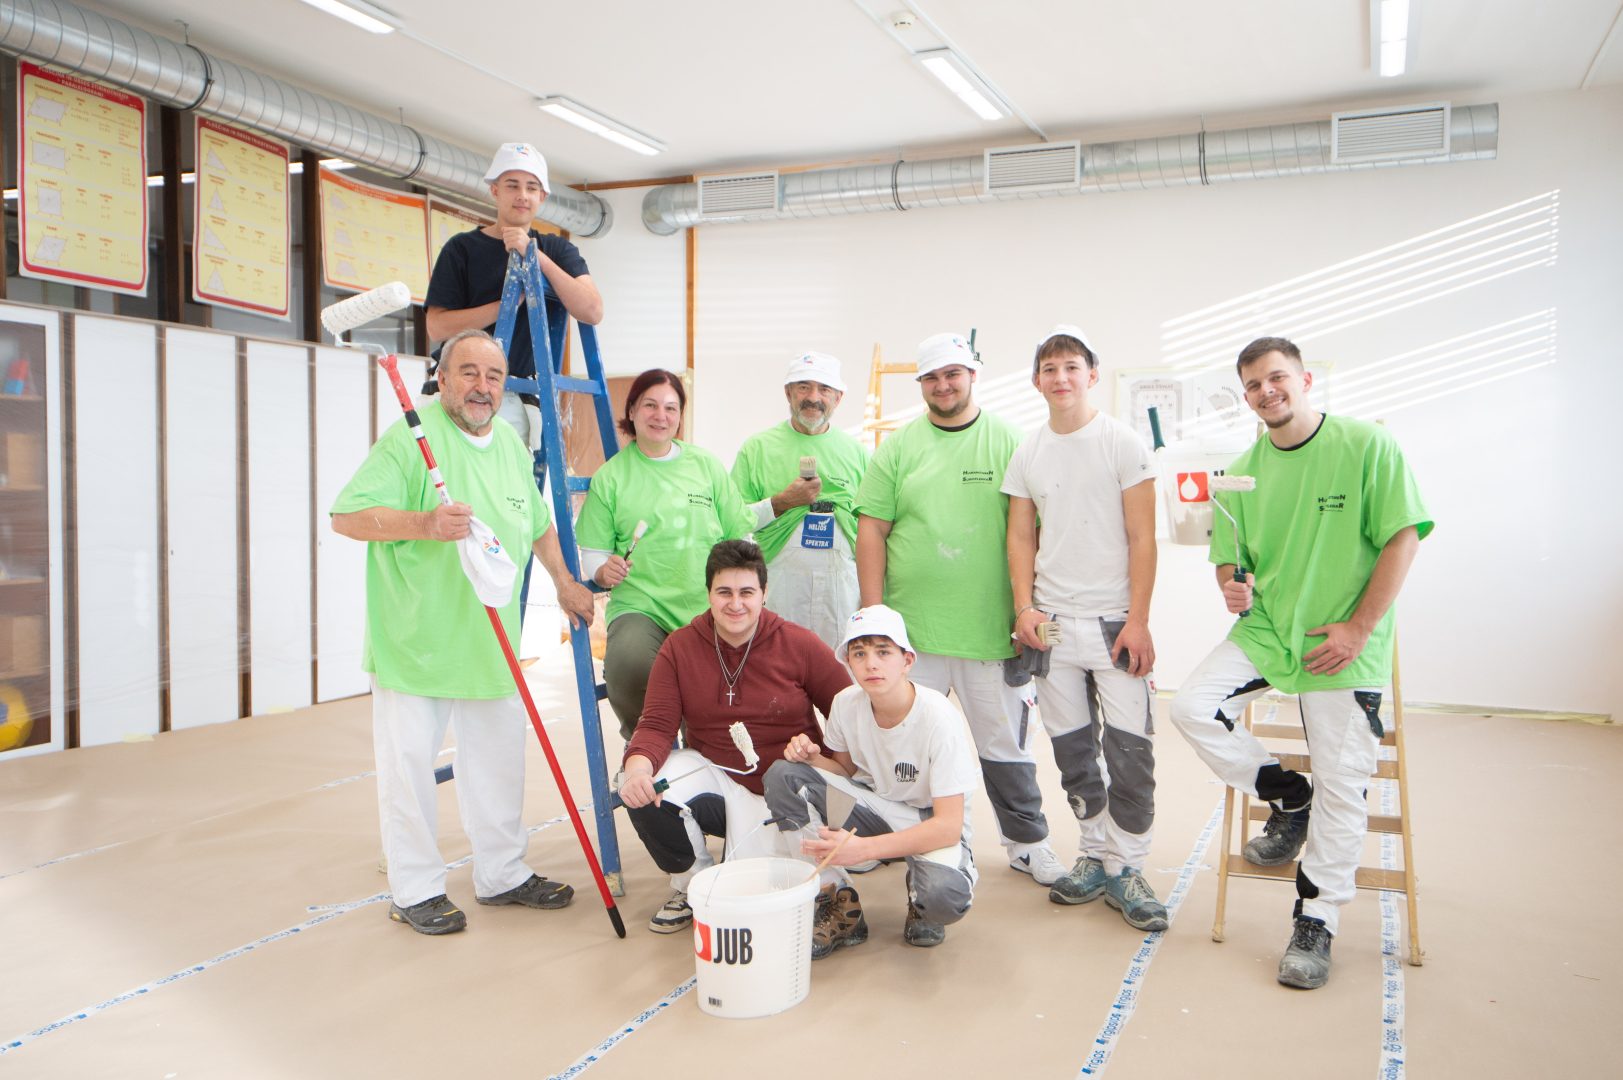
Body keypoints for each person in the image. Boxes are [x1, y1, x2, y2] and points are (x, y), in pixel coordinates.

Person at [1168, 336, 1431, 989]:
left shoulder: (1366, 446)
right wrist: (1231, 586)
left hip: (1342, 641)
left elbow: (1402, 538)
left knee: (1345, 784)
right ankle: (1288, 796)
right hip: (1268, 630)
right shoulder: (1242, 473)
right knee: (1191, 706)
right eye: (1254, 385)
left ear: (1304, 379)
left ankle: (1317, 919)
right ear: (1245, 396)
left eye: (1276, 378)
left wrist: (1358, 628)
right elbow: (1231, 564)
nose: (1267, 392)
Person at [330, 329, 596, 936]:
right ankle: (416, 889)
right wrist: (424, 523)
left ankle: (502, 874)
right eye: (469, 373)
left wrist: (562, 580)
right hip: (416, 643)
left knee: (499, 767)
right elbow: (347, 517)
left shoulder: (509, 445)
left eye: (493, 376)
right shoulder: (410, 437)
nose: (482, 386)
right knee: (409, 773)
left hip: (490, 643)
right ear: (443, 379)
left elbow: (537, 525)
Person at [855, 331, 1064, 886]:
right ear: (921, 384)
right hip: (912, 638)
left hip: (990, 634)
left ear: (973, 376)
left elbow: (1033, 531)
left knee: (1006, 748)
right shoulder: (899, 447)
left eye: (953, 374)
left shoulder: (1009, 441)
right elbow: (871, 530)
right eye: (932, 377)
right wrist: (875, 620)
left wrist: (1029, 609)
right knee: (898, 746)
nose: (943, 385)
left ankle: (1028, 844)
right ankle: (888, 838)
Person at [1003, 326, 1168, 931]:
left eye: (1072, 367)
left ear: (1092, 375)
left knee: (1131, 754)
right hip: (1052, 627)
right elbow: (1020, 537)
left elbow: (1144, 538)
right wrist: (1025, 608)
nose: (1061, 377)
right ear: (1036, 381)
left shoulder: (1122, 442)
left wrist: (1139, 620)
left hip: (1115, 624)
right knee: (1074, 754)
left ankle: (1129, 867)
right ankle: (1095, 856)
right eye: (1050, 369)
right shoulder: (1028, 450)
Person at [617, 540, 851, 934]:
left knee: (808, 894)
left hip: (791, 788)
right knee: (640, 784)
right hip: (721, 782)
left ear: (764, 593)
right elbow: (656, 724)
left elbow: (848, 714)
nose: (736, 604)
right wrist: (637, 771)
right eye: (724, 592)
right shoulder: (680, 648)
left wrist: (824, 760)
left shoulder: (799, 644)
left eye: (747, 592)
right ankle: (694, 886)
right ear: (709, 593)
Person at [764, 605, 979, 957]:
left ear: (907, 660)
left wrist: (864, 849)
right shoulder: (845, 704)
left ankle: (921, 893)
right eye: (859, 654)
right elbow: (845, 775)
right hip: (877, 806)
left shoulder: (939, 718)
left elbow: (948, 826)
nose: (871, 664)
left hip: (929, 820)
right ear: (848, 662)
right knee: (783, 775)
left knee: (944, 898)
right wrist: (812, 759)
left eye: (883, 652)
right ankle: (836, 900)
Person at [576, 369, 761, 738]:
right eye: (650, 405)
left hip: (707, 604)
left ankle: (703, 752)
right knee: (631, 666)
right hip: (641, 605)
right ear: (631, 411)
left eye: (671, 408)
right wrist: (602, 571)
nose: (660, 416)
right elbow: (593, 555)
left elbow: (741, 536)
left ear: (680, 416)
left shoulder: (706, 466)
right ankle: (647, 746)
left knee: (718, 689)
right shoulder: (611, 478)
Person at [425, 141, 604, 450]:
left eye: (531, 188)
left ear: (542, 197)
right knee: (449, 476)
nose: (522, 195)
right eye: (512, 185)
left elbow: (592, 310)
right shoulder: (462, 249)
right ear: (495, 190)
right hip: (459, 388)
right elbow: (437, 327)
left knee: (509, 480)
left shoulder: (556, 250)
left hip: (517, 394)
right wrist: (505, 307)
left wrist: (534, 256)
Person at [731, 351, 869, 650]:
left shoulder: (857, 454)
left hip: (842, 587)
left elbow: (874, 528)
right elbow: (733, 521)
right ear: (788, 393)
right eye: (804, 387)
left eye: (824, 389)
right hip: (780, 584)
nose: (813, 397)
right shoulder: (757, 449)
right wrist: (781, 502)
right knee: (780, 661)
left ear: (838, 398)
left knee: (838, 667)